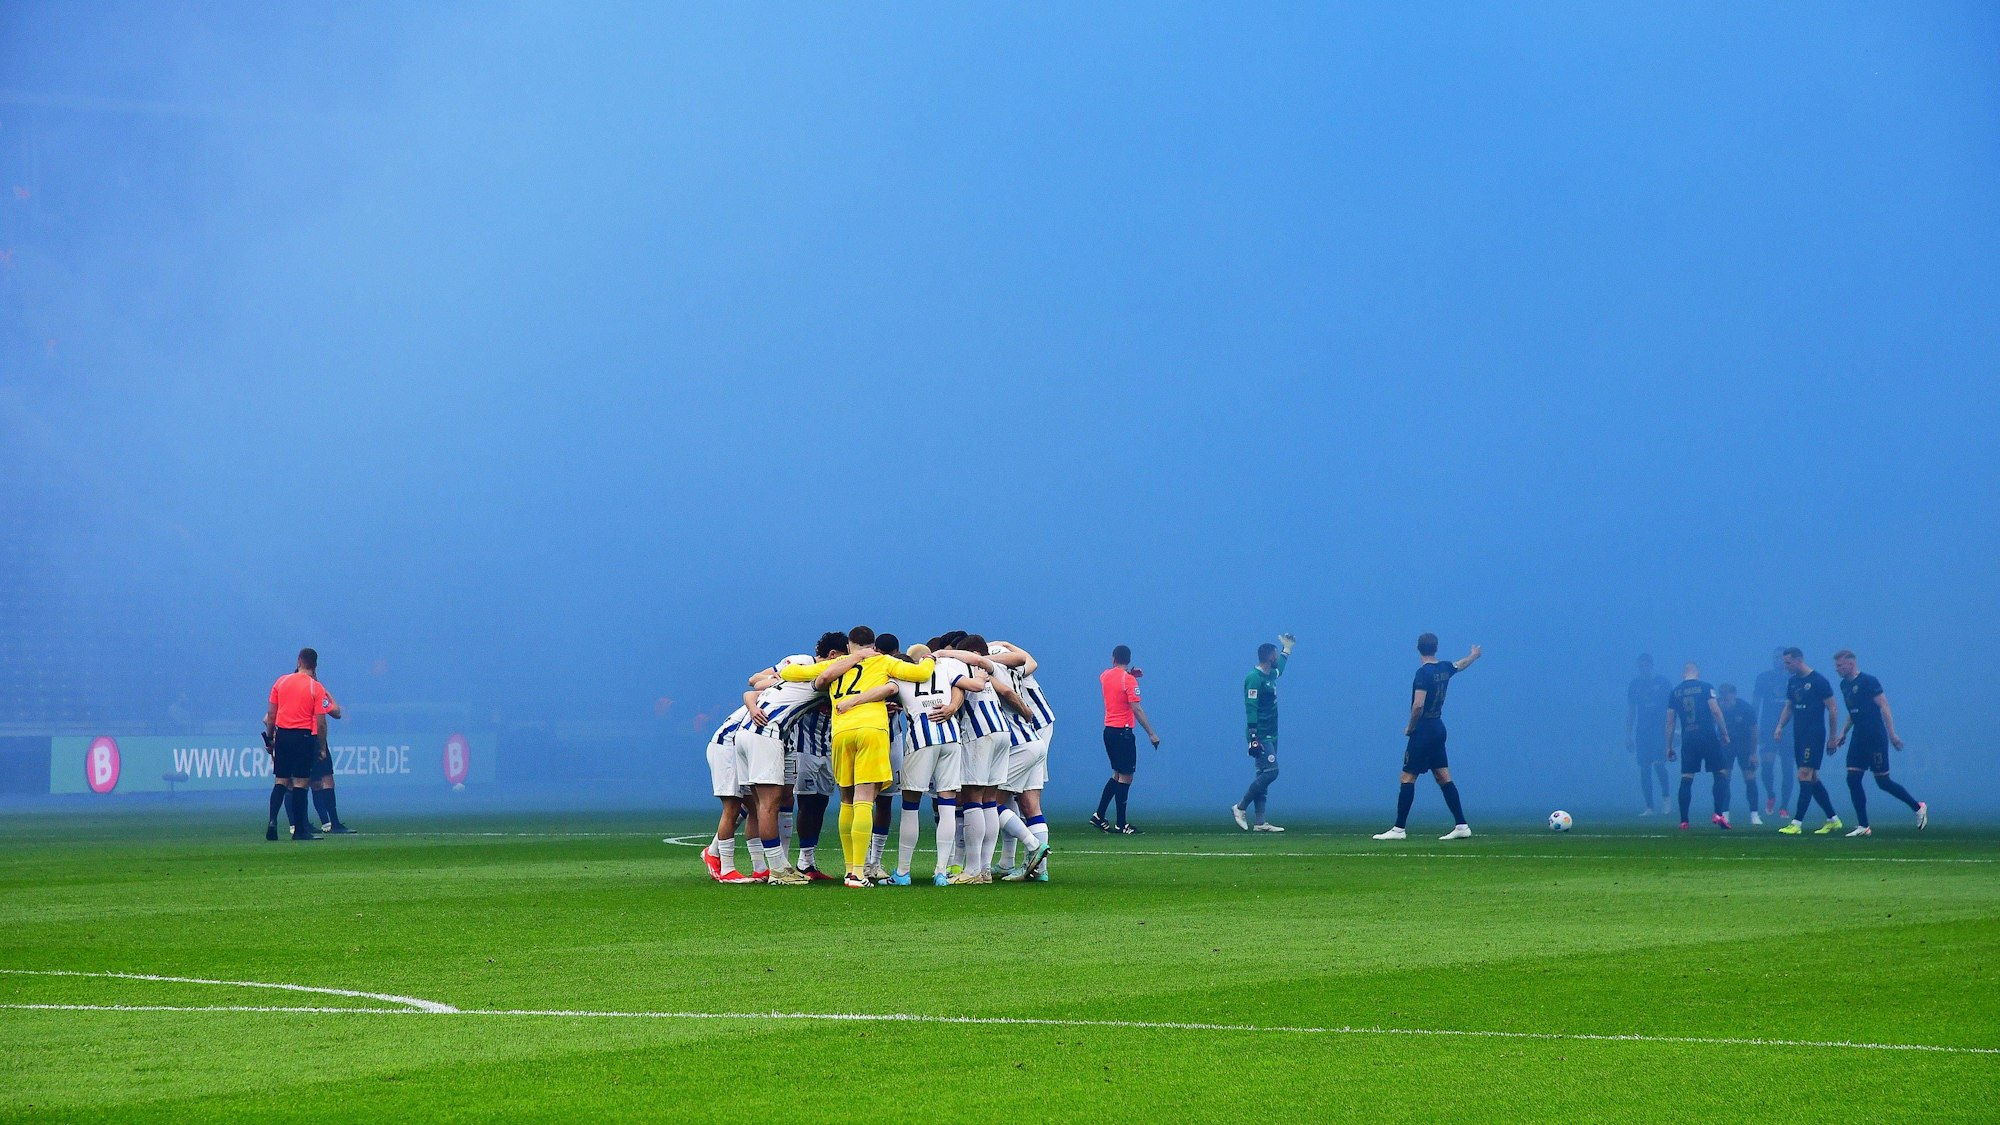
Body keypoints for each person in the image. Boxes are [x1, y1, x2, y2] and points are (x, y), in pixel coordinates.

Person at [779, 626, 934, 888]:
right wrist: (928, 658)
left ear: (850, 645)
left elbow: (789, 672)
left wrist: (846, 660)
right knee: (865, 798)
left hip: (841, 732)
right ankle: (858, 873)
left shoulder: (839, 663)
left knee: (847, 800)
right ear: (873, 645)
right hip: (871, 730)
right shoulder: (884, 661)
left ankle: (850, 869)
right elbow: (921, 674)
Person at [1373, 634, 1481, 841]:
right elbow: (1460, 664)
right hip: (1438, 727)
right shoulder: (1444, 668)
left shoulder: (1423, 674)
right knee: (1443, 777)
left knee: (1407, 777)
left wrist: (1410, 728)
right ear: (1436, 648)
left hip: (1424, 729)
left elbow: (1418, 705)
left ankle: (1398, 829)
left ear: (1418, 648)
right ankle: (1461, 825)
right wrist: (1474, 655)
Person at [1829, 650, 1926, 836]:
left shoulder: (1868, 681)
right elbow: (1852, 712)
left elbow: (1884, 706)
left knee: (1883, 782)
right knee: (1852, 779)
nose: (1837, 669)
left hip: (1875, 736)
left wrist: (1892, 734)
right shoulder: (1844, 685)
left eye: (1840, 665)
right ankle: (1863, 826)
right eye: (1836, 666)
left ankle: (1918, 807)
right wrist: (1842, 733)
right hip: (1858, 737)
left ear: (1850, 663)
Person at [262, 648, 341, 842]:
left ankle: (272, 822)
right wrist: (321, 747)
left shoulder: (281, 682)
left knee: (280, 781)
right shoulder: (315, 687)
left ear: (299, 661)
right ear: (315, 665)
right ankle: (299, 830)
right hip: (303, 737)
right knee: (300, 783)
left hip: (283, 736)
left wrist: (270, 739)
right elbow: (321, 722)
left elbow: (271, 715)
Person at [1774, 647, 1844, 835]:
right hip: (1798, 735)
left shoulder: (1818, 681)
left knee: (1804, 774)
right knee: (1811, 778)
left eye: (1788, 662)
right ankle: (1833, 819)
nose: (1786, 666)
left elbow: (1832, 709)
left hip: (1814, 735)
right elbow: (1789, 706)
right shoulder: (1793, 682)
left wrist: (1832, 737)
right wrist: (1779, 726)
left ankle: (1796, 824)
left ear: (1799, 660)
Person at [1232, 633, 1295, 832]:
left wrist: (1287, 650)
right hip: (1260, 734)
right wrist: (1253, 736)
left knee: (1262, 774)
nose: (1277, 658)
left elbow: (1280, 670)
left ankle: (1260, 822)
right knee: (1271, 772)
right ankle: (1240, 807)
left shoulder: (1269, 675)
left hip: (1272, 733)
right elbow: (1250, 706)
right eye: (1275, 655)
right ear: (1269, 657)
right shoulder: (1254, 678)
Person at [1094, 645, 1158, 834]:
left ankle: (1099, 815)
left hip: (1109, 731)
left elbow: (1116, 679)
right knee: (1126, 776)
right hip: (1123, 732)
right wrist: (1151, 733)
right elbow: (1136, 708)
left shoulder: (1105, 675)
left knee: (1117, 774)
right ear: (1129, 660)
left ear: (1113, 658)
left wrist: (1129, 673)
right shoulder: (1129, 680)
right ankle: (1121, 824)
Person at [1665, 663, 1733, 830]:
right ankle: (1718, 813)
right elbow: (1716, 711)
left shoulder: (1675, 692)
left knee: (1687, 777)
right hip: (1708, 736)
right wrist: (1724, 733)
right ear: (1698, 673)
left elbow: (1670, 721)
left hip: (1688, 738)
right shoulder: (1706, 687)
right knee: (1720, 772)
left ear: (1683, 674)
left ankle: (1684, 821)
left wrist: (1669, 746)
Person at [700, 705, 756, 883]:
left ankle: (759, 868)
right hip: (727, 748)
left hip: (742, 750)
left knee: (755, 806)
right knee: (732, 807)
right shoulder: (772, 693)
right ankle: (727, 869)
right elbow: (752, 689)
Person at [1626, 655, 1673, 815]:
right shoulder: (1634, 685)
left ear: (1651, 666)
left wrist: (1674, 729)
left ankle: (1666, 798)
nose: (1644, 669)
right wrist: (1628, 734)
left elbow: (1672, 707)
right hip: (1642, 731)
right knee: (1644, 768)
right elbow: (1631, 710)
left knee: (1659, 764)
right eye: (1641, 666)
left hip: (1659, 730)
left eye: (1646, 665)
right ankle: (1649, 807)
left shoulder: (1663, 683)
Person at [1751, 649, 1794, 816]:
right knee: (1767, 765)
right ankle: (1771, 794)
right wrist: (1753, 725)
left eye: (1781, 658)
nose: (1778, 660)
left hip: (1789, 728)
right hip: (1768, 727)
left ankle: (1784, 806)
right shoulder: (1763, 678)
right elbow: (1756, 703)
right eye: (1775, 657)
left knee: (1787, 768)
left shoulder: (1794, 677)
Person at [1716, 683, 1763, 825]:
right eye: (1722, 698)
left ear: (1734, 695)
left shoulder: (1746, 708)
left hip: (1744, 745)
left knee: (1750, 777)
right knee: (1725, 777)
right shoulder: (1716, 707)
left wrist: (1753, 753)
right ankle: (1725, 814)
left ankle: (1754, 815)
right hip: (1726, 745)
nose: (1724, 701)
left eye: (1727, 698)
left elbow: (1754, 731)